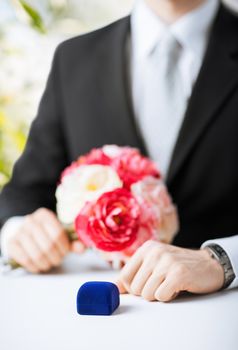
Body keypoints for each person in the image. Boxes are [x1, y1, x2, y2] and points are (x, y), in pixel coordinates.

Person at [0, 0, 237, 302]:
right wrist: (20, 231)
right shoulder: (73, 59)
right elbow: (23, 193)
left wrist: (224, 260)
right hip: (97, 314)